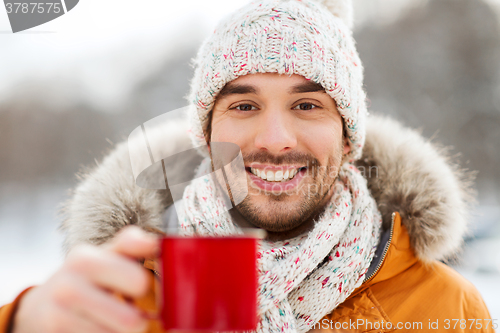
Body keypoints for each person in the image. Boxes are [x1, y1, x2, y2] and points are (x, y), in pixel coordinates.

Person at [1, 0, 495, 332]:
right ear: (206, 137)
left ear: (348, 139)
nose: (275, 141)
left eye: (307, 105)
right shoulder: (114, 302)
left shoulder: (448, 310)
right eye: (243, 106)